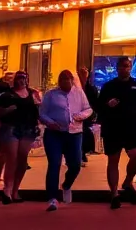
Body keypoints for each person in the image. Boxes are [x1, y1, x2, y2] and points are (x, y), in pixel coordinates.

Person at [98, 55, 136, 208]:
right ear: (117, 68)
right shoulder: (108, 86)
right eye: (121, 66)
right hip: (112, 127)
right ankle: (114, 194)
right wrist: (108, 104)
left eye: (127, 66)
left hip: (132, 126)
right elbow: (99, 106)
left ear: (130, 68)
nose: (124, 69)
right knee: (113, 161)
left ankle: (128, 182)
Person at [39, 69, 93, 211]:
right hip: (54, 133)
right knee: (54, 164)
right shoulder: (51, 95)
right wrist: (50, 122)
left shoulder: (79, 93)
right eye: (63, 83)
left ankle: (67, 185)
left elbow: (88, 109)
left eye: (68, 83)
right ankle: (52, 198)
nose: (66, 86)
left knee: (75, 164)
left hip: (74, 133)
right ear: (59, 82)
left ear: (72, 81)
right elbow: (42, 113)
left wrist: (79, 116)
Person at [0, 70, 39, 203]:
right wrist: (8, 110)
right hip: (11, 128)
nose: (22, 80)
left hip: (28, 129)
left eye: (24, 78)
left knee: (22, 160)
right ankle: (7, 189)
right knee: (12, 158)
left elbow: (38, 110)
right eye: (19, 78)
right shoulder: (7, 95)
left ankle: (15, 190)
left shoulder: (32, 94)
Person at [77, 66, 100, 163]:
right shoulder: (75, 88)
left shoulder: (91, 89)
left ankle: (82, 152)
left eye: (85, 74)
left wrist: (94, 113)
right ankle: (79, 153)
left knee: (85, 132)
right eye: (81, 73)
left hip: (87, 114)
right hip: (75, 114)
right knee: (79, 133)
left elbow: (95, 102)